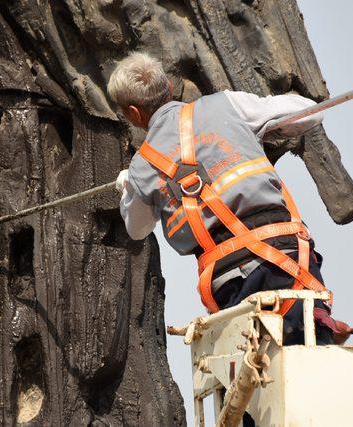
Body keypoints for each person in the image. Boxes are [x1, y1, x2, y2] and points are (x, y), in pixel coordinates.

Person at [108, 52, 336, 346]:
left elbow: (136, 229)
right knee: (315, 356)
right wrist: (268, 128)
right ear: (167, 87)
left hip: (229, 281)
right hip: (289, 256)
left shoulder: (143, 166)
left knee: (258, 373)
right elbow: (312, 112)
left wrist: (130, 187)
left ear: (133, 113)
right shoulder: (227, 105)